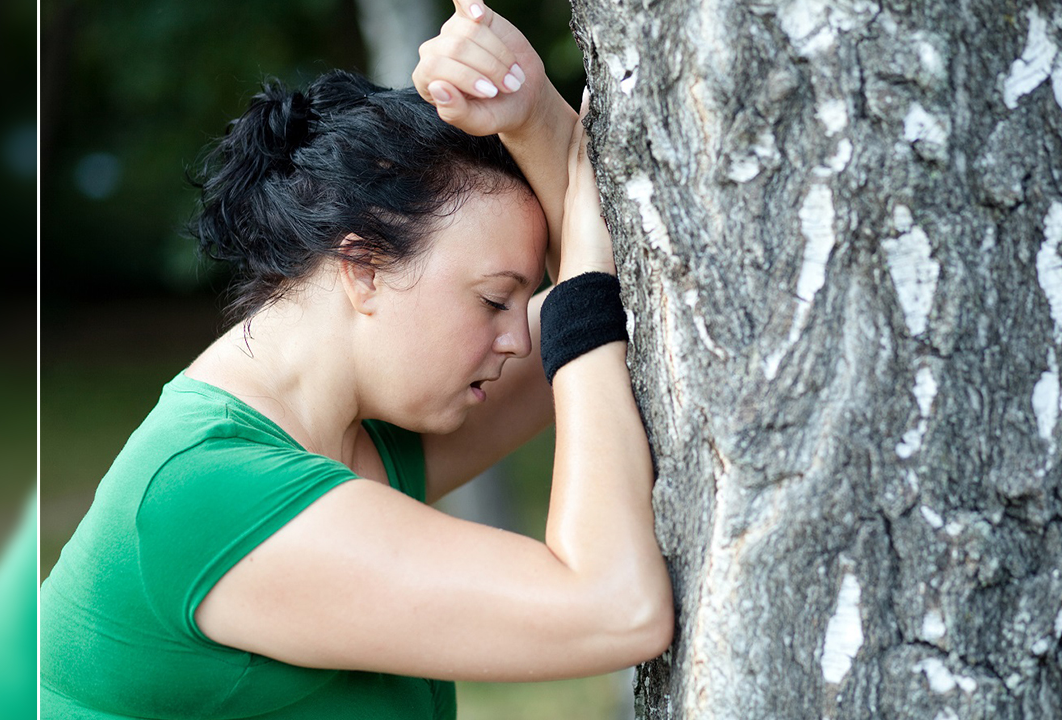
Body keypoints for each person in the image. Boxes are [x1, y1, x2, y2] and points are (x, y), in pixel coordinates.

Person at [38, 1, 673, 717]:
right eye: (496, 300)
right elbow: (615, 608)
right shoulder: (206, 494)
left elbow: (627, 306)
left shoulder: (346, 428)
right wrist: (580, 281)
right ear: (364, 267)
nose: (522, 339)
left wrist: (530, 116)